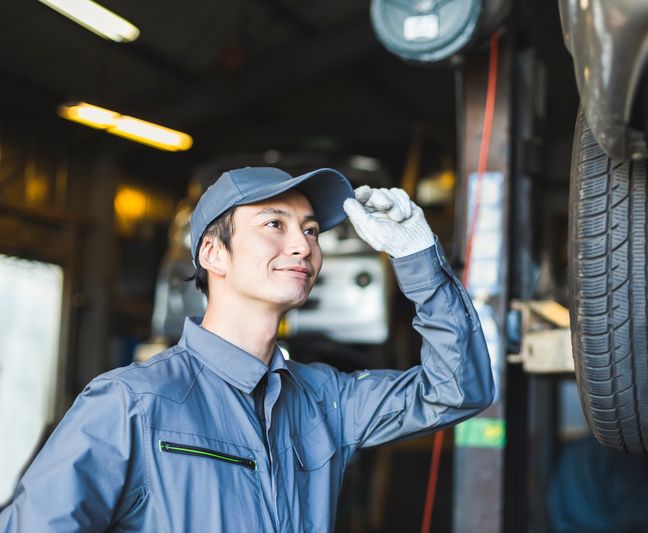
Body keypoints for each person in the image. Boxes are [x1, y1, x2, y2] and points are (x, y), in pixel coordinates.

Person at [0, 166, 494, 532]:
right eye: (274, 225)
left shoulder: (327, 400)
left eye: (311, 231)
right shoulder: (132, 403)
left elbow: (458, 389)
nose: (303, 246)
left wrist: (418, 260)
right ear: (213, 254)